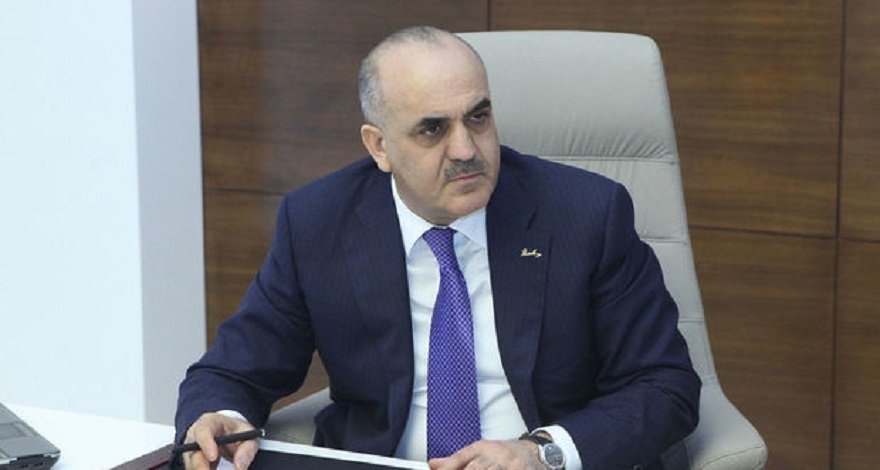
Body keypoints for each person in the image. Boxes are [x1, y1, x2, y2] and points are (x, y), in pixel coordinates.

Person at [175, 25, 700, 470]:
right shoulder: (319, 222)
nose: (466, 149)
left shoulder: (586, 215)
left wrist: (542, 453)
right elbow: (234, 370)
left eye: (478, 117)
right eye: (432, 130)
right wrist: (221, 417)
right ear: (379, 146)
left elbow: (664, 385)